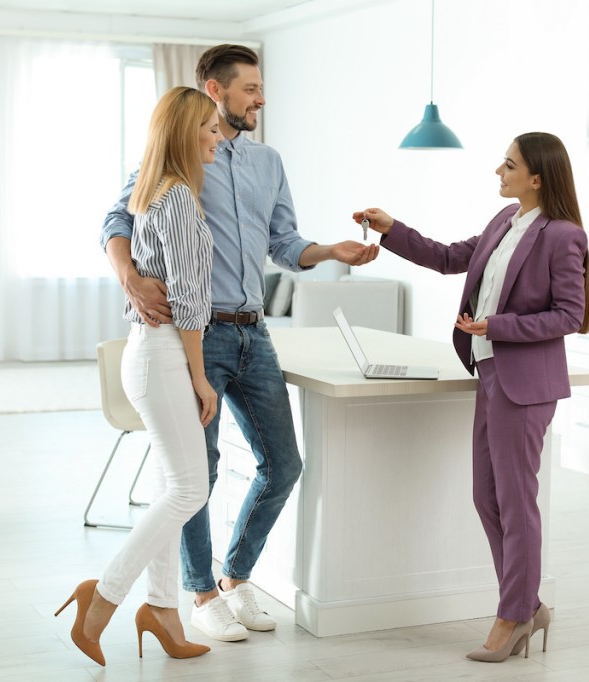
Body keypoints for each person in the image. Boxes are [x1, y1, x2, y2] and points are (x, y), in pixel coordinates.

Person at [100, 44, 378, 642]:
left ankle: (235, 576)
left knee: (283, 464)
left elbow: (285, 244)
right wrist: (129, 275)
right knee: (196, 472)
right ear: (214, 89)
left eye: (261, 87)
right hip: (190, 337)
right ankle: (200, 594)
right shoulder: (179, 156)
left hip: (254, 333)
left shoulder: (268, 163)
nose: (261, 99)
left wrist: (329, 251)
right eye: (250, 88)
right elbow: (117, 220)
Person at [353, 132, 589, 663]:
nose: (497, 171)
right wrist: (392, 229)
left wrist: (496, 326)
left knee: (514, 500)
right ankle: (528, 604)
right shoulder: (502, 223)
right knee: (487, 497)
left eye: (509, 164)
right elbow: (444, 257)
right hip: (491, 375)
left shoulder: (563, 236)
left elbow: (567, 317)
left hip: (525, 385)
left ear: (537, 177)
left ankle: (514, 615)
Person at [57, 86, 225, 666]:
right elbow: (188, 299)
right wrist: (201, 378)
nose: (218, 135)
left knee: (168, 486)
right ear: (184, 132)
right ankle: (101, 599)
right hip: (162, 354)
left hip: (152, 352)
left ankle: (162, 611)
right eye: (208, 126)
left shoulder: (158, 194)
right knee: (190, 489)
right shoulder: (176, 199)